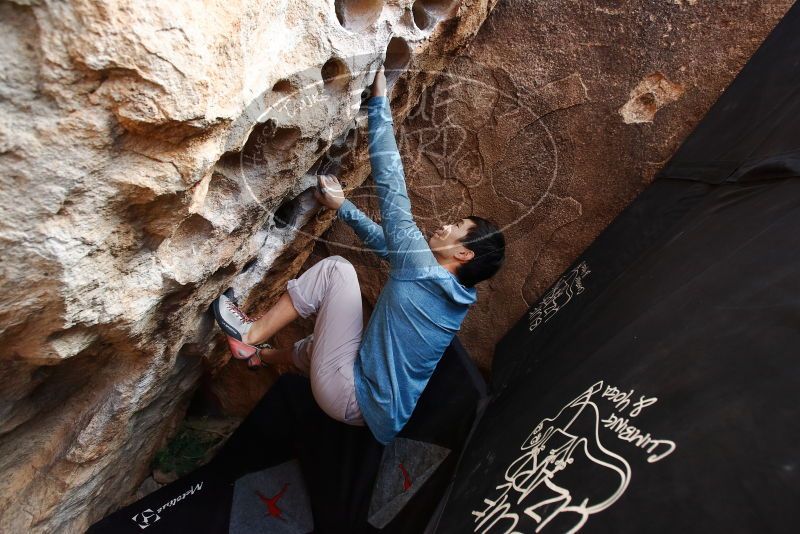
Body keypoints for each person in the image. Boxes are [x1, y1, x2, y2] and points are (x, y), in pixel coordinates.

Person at [212, 65, 505, 444]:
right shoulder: (453, 296)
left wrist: (379, 100)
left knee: (337, 270)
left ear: (463, 253)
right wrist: (342, 206)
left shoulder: (423, 270)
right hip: (368, 413)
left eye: (455, 227)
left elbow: (391, 185)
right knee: (322, 343)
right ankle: (259, 358)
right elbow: (387, 246)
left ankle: (248, 334)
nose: (444, 226)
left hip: (349, 397)